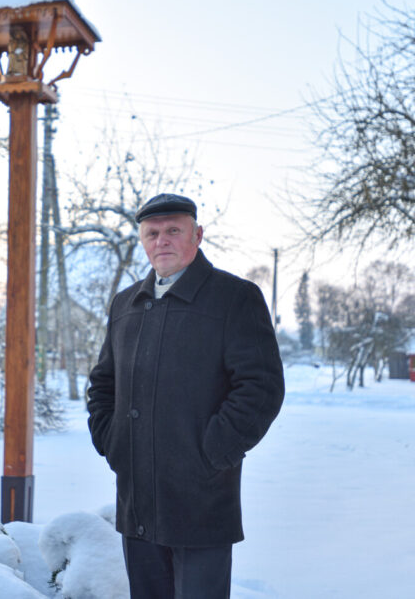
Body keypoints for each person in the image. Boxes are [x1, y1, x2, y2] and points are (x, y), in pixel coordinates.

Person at [87, 193, 285, 599]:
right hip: (138, 497)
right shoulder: (126, 304)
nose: (162, 241)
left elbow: (261, 387)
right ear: (142, 241)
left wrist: (213, 452)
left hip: (201, 496)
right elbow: (103, 383)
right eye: (152, 233)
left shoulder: (235, 297)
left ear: (197, 234)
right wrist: (113, 443)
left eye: (174, 231)